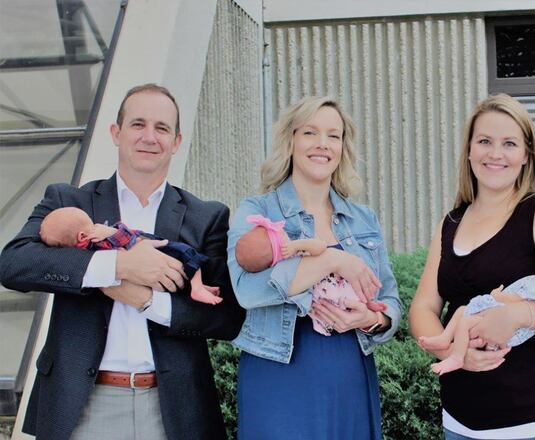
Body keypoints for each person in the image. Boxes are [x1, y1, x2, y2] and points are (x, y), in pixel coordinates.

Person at [0, 84, 246, 440]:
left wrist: (148, 301)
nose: (149, 137)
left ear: (176, 141)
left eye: (162, 128)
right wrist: (118, 267)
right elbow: (14, 264)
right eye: (138, 124)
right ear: (116, 133)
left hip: (173, 407)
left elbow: (227, 317)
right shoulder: (68, 201)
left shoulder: (206, 216)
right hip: (82, 404)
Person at [409, 93, 535, 440]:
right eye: (485, 141)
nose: (495, 154)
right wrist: (453, 350)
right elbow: (424, 306)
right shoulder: (449, 222)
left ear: (526, 155)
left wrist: (519, 315)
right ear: (469, 150)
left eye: (509, 143)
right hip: (461, 420)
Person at [227, 96, 402, 439]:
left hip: (350, 372)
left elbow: (390, 300)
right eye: (310, 132)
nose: (323, 144)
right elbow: (246, 291)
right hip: (278, 373)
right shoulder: (258, 210)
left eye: (333, 136)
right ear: (290, 141)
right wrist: (332, 260)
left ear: (342, 147)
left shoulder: (363, 218)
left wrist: (372, 319)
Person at [419, 253, 535, 375]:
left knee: (464, 321)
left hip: (503, 321)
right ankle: (445, 339)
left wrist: (497, 295)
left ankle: (456, 357)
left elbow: (515, 300)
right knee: (462, 313)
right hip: (501, 320)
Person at [235, 213, 387, 335]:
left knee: (351, 297)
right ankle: (362, 305)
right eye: (280, 233)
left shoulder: (287, 265)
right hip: (327, 300)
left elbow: (320, 249)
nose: (284, 232)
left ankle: (368, 304)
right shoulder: (290, 262)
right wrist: (298, 245)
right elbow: (320, 247)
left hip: (328, 294)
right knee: (341, 301)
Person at [39, 206, 223, 305]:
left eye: (59, 246)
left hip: (158, 247)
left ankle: (198, 287)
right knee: (179, 274)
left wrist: (109, 232)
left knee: (186, 255)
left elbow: (126, 234)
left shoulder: (99, 235)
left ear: (81, 237)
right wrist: (119, 264)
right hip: (149, 280)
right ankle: (199, 287)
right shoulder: (87, 250)